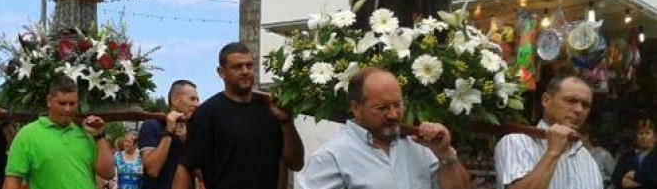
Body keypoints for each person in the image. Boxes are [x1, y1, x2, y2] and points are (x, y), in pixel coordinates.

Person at [297, 67, 470, 189]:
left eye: (397, 105)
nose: (393, 115)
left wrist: (445, 153)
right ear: (356, 108)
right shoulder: (332, 157)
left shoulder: (420, 147)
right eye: (382, 108)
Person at [173, 42, 304, 189]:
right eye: (237, 67)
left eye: (249, 65)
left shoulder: (271, 110)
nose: (245, 71)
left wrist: (287, 122)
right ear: (221, 72)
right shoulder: (207, 113)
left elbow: (296, 163)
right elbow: (187, 166)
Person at [3, 75, 114, 189]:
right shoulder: (27, 135)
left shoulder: (87, 134)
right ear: (49, 101)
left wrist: (99, 136)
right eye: (62, 103)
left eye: (72, 104)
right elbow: (12, 181)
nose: (68, 109)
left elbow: (108, 174)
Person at [494, 74, 602, 188]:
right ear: (546, 100)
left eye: (585, 105)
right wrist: (553, 152)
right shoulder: (516, 143)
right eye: (571, 101)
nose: (579, 110)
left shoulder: (586, 158)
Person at [138, 80, 200, 189]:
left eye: (197, 100)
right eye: (192, 99)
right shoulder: (152, 125)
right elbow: (152, 170)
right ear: (175, 99)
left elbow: (201, 174)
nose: (197, 104)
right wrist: (169, 132)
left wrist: (187, 141)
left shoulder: (194, 130)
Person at [612, 119, 657, 189]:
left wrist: (635, 175)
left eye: (647, 133)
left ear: (654, 137)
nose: (644, 137)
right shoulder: (625, 157)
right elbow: (616, 178)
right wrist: (622, 182)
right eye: (641, 133)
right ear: (636, 137)